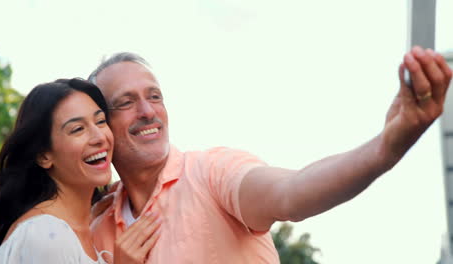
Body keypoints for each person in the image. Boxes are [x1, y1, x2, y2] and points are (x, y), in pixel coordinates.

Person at [88, 46, 452, 263]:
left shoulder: (211, 171)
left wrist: (384, 149)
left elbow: (291, 193)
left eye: (154, 96)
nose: (148, 111)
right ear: (103, 127)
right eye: (126, 102)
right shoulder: (95, 224)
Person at [0, 79, 161, 264]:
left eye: (100, 121)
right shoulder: (46, 235)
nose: (99, 137)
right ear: (44, 156)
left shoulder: (89, 228)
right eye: (78, 129)